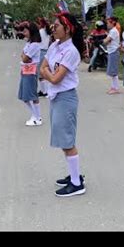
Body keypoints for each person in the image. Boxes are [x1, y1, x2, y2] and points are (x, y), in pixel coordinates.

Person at [40, 11, 86, 197]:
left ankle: (76, 184)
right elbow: (41, 67)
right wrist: (50, 75)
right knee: (63, 138)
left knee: (67, 140)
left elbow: (56, 78)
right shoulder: (55, 46)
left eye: (57, 25)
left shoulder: (71, 51)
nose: (53, 28)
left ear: (68, 29)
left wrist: (49, 75)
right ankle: (74, 176)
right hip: (56, 97)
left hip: (65, 97)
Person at [18, 21, 42, 126]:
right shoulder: (29, 43)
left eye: (25, 30)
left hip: (31, 70)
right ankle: (34, 115)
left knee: (31, 94)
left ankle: (37, 117)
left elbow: (25, 58)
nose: (23, 32)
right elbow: (23, 56)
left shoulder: (35, 45)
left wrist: (24, 57)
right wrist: (24, 57)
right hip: (25, 69)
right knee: (24, 95)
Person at [103, 16, 121, 94]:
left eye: (108, 23)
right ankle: (113, 86)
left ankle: (115, 88)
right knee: (112, 70)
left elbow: (106, 41)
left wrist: (105, 40)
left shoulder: (113, 31)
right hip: (111, 51)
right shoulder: (112, 31)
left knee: (113, 70)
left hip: (113, 51)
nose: (107, 25)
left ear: (112, 23)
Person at [38, 18, 52, 97]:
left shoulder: (40, 32)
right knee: (46, 71)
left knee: (40, 73)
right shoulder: (48, 32)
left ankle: (44, 91)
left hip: (40, 52)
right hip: (47, 52)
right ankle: (45, 89)